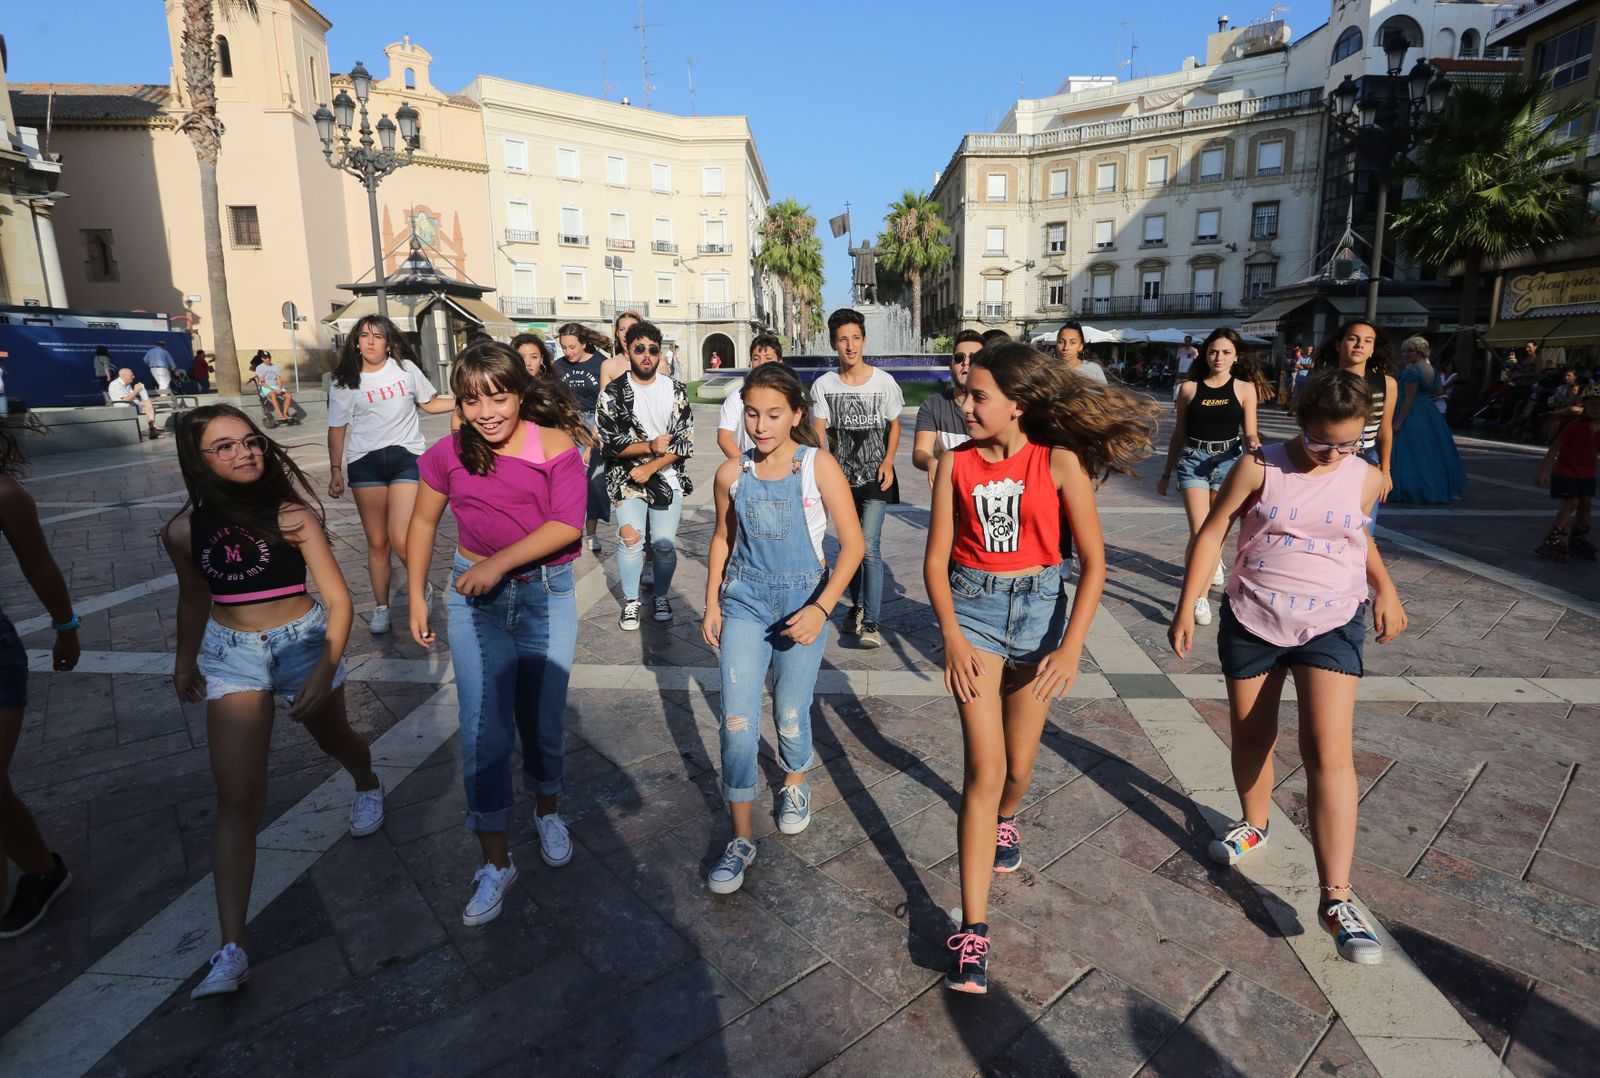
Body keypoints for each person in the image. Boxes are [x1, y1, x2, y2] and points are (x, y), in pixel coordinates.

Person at [925, 341, 1156, 994]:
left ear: (1017, 405)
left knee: (1018, 770)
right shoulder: (954, 466)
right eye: (965, 394)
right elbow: (936, 558)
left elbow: (1094, 562)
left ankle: (1008, 817)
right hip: (973, 612)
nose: (965, 405)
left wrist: (1071, 645)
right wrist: (950, 636)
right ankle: (973, 932)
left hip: (1040, 616)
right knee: (985, 768)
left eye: (979, 397)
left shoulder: (1057, 463)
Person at [1170, 369, 1407, 967]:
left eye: (1348, 443)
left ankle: (1337, 898)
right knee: (1253, 734)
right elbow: (1214, 529)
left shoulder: (1366, 477)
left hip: (1333, 619)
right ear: (1299, 424)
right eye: (1324, 443)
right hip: (1253, 616)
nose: (1335, 455)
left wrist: (1386, 588)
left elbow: (1356, 537)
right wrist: (1186, 603)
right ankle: (1254, 823)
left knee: (1328, 748)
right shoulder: (1260, 466)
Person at [163, 404, 383, 998]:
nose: (246, 453)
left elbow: (339, 601)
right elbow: (192, 598)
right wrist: (186, 660)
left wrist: (325, 666)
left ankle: (366, 781)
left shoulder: (293, 517)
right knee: (238, 795)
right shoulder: (182, 531)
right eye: (225, 447)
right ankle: (232, 947)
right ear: (198, 460)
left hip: (302, 642)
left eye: (251, 441)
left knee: (333, 738)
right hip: (230, 652)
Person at [407, 341, 589, 924]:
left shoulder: (555, 447)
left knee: (543, 717)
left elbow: (566, 525)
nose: (486, 411)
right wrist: (415, 593)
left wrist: (500, 563)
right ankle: (495, 860)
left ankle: (547, 809)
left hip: (546, 593)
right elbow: (422, 520)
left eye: (499, 396)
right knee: (484, 728)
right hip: (473, 599)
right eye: (472, 399)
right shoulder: (445, 454)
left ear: (521, 394)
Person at [700, 364, 865, 893]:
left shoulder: (818, 466)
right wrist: (712, 604)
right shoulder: (732, 474)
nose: (761, 425)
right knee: (737, 719)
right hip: (744, 601)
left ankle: (795, 781)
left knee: (791, 710)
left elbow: (854, 545)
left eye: (774, 414)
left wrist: (821, 609)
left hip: (803, 604)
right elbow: (723, 541)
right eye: (752, 413)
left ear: (796, 414)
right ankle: (741, 837)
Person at [0, 420, 80, 939]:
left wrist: (66, 629)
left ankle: (41, 872)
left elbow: (41, 567)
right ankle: (41, 869)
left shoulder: (5, 493)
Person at [327, 315, 455, 635]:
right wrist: (334, 469)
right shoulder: (345, 380)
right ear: (356, 341)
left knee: (400, 535)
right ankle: (381, 608)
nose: (370, 341)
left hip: (406, 458)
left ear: (388, 342)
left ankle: (419, 587)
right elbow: (337, 428)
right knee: (378, 542)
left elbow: (430, 403)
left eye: (377, 336)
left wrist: (468, 400)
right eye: (364, 336)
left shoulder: (406, 370)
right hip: (365, 463)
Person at [1156, 328, 1263, 626]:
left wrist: (1255, 443)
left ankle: (1201, 595)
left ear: (1236, 356)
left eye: (1226, 352)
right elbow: (1179, 433)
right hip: (1193, 460)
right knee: (1201, 531)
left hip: (1229, 462)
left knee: (1214, 533)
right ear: (1205, 354)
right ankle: (1194, 598)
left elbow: (1250, 430)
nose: (1219, 357)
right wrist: (1166, 472)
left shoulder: (1245, 388)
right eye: (1214, 351)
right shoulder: (1188, 389)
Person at [811, 308, 902, 649]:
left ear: (864, 340)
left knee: (870, 547)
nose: (850, 346)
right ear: (834, 343)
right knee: (852, 547)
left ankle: (872, 623)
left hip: (877, 476)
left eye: (856, 338)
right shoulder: (824, 385)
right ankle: (857, 607)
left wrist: (890, 461)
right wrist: (824, 468)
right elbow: (819, 429)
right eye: (843, 339)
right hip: (840, 478)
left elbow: (894, 424)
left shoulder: (883, 382)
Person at [599, 319, 694, 630]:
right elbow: (609, 443)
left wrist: (652, 464)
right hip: (625, 481)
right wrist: (648, 446)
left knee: (664, 545)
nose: (647, 355)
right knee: (631, 541)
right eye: (639, 348)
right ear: (628, 351)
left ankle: (662, 595)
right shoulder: (614, 393)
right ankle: (631, 601)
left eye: (653, 350)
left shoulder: (675, 390)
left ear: (660, 353)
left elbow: (684, 441)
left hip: (666, 478)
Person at [1315, 321, 1396, 523]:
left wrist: (1385, 471)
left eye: (1367, 341)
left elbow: (1384, 430)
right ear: (1338, 344)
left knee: (1363, 528)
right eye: (1353, 338)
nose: (1360, 345)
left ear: (1372, 350)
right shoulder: (1321, 380)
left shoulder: (1387, 384)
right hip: (1327, 458)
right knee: (1325, 523)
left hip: (1367, 459)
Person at [1389, 336, 1467, 504]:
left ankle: (1410, 487)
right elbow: (1438, 392)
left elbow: (1409, 399)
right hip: (1428, 411)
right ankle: (1432, 486)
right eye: (1404, 350)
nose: (1405, 354)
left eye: (1410, 351)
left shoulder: (1412, 370)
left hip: (1412, 412)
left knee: (1409, 451)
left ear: (1420, 352)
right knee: (1430, 452)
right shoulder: (1431, 369)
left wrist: (1398, 422)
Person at [556, 323, 612, 553]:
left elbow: (606, 399)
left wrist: (597, 430)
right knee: (570, 480)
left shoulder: (600, 363)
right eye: (564, 347)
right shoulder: (557, 366)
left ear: (584, 343)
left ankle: (592, 533)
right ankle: (571, 530)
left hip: (595, 424)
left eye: (572, 347)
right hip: (568, 423)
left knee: (596, 481)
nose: (568, 352)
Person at [1534, 384, 1600, 561]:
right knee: (1572, 503)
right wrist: (1543, 471)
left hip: (1586, 474)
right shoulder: (1574, 426)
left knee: (1586, 504)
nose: (1596, 408)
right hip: (1565, 471)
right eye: (1592, 404)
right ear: (1583, 405)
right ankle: (1552, 542)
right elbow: (1555, 448)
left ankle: (1578, 539)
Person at [913, 330, 981, 486]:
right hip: (950, 495)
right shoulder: (932, 406)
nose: (966, 363)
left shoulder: (997, 407)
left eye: (974, 358)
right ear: (951, 366)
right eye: (959, 358)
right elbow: (920, 452)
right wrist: (931, 462)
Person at [717, 333, 784, 459]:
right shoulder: (738, 396)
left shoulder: (791, 394)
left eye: (768, 358)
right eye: (756, 358)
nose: (761, 363)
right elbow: (724, 437)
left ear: (780, 362)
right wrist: (746, 466)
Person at [108, 368, 165, 440]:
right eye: (131, 375)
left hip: (131, 405)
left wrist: (144, 398)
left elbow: (133, 398)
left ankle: (153, 429)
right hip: (123, 407)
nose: (134, 376)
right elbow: (126, 400)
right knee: (148, 405)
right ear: (124, 375)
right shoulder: (115, 384)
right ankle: (153, 428)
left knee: (149, 404)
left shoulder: (127, 384)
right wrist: (136, 391)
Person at [254, 352, 296, 425]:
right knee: (273, 395)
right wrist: (272, 389)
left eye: (269, 357)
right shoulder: (259, 368)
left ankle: (285, 414)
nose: (268, 359)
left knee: (289, 396)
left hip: (275, 386)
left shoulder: (275, 366)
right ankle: (281, 415)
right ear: (262, 359)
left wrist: (279, 389)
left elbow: (278, 379)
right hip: (265, 387)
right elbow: (262, 382)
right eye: (266, 358)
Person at [1172, 334, 1199, 400]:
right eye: (1185, 340)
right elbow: (1177, 360)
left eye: (1188, 341)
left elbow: (1196, 362)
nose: (1186, 342)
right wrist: (1177, 371)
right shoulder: (1180, 350)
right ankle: (1177, 402)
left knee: (1188, 386)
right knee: (1178, 387)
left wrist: (1194, 371)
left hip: (1189, 372)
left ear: (1191, 341)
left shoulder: (1194, 350)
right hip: (1180, 371)